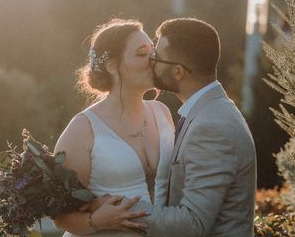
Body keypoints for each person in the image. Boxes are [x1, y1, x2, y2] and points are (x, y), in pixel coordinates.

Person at [88, 18, 257, 237]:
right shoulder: (208, 112)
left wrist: (119, 211)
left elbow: (193, 222)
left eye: (156, 57)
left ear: (178, 72)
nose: (151, 62)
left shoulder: (211, 126)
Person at [53, 18, 176, 236]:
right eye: (141, 54)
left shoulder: (162, 113)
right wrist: (97, 221)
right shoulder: (83, 128)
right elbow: (61, 216)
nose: (153, 60)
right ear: (112, 66)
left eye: (152, 51)